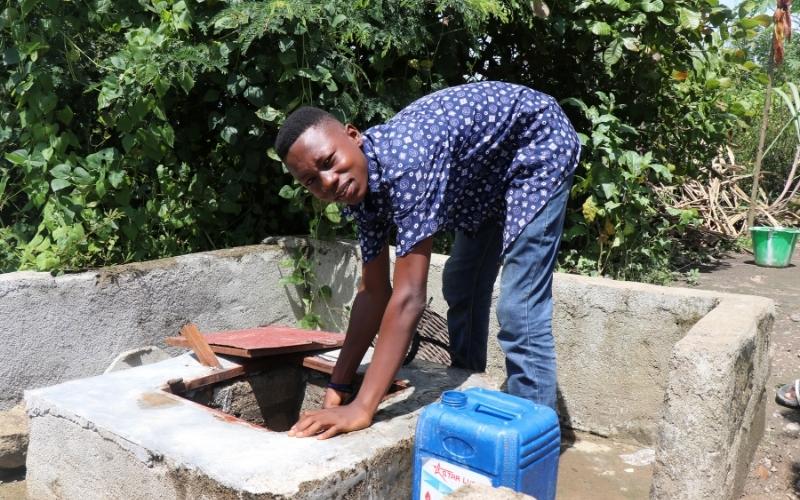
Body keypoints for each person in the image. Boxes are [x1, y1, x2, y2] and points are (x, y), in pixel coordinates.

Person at [274, 81, 580, 439]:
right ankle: (466, 389)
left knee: (519, 308)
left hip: (535, 144)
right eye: (312, 180)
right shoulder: (362, 191)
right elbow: (374, 292)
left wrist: (362, 408)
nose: (329, 181)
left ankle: (534, 441)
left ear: (353, 135)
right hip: (484, 177)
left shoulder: (405, 161)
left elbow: (408, 298)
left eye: (329, 162)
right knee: (461, 283)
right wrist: (339, 384)